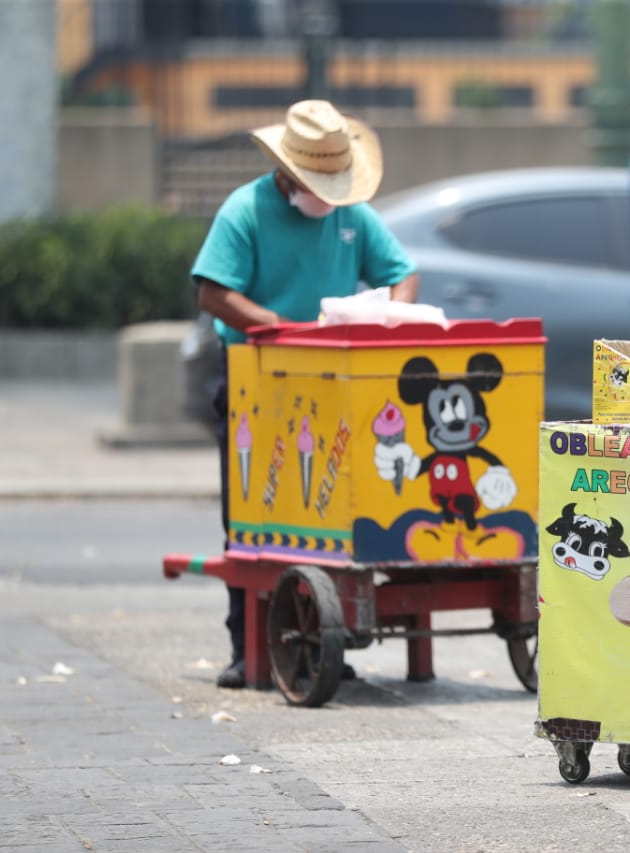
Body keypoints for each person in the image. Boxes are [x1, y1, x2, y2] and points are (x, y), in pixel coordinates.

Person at [192, 99, 419, 689]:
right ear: (288, 172)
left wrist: (395, 319)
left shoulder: (354, 215)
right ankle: (247, 648)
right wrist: (277, 327)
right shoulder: (245, 210)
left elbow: (401, 271)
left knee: (329, 513)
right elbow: (215, 293)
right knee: (251, 519)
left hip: (332, 383)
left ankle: (322, 641)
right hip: (257, 375)